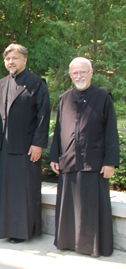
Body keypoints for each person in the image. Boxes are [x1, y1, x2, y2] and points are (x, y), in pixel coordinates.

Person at [50, 57, 119, 257]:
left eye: (83, 72)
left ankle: (92, 246)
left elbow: (111, 132)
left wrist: (110, 162)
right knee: (69, 207)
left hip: (94, 163)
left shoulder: (103, 97)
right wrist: (55, 156)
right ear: (70, 75)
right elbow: (59, 129)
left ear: (91, 72)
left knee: (91, 207)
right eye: (75, 73)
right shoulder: (65, 98)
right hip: (69, 161)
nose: (79, 76)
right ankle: (68, 242)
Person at [0, 44, 51, 244]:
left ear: (25, 60)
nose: (11, 62)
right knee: (0, 188)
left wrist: (38, 143)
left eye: (15, 58)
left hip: (25, 147)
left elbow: (43, 115)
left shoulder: (36, 83)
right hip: (1, 147)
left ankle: (20, 231)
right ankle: (0, 228)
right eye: (7, 59)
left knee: (20, 191)